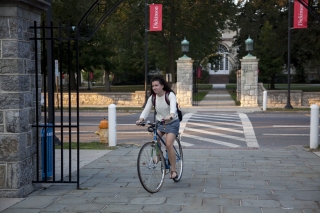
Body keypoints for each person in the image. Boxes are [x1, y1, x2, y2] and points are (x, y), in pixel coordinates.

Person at [136, 76, 180, 179]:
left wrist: (171, 114)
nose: (154, 88)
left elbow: (173, 106)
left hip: (172, 122)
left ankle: (173, 170)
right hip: (160, 122)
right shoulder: (153, 97)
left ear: (162, 85)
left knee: (169, 145)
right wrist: (141, 119)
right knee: (155, 139)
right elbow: (146, 110)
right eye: (153, 86)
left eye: (156, 85)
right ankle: (159, 156)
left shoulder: (170, 95)